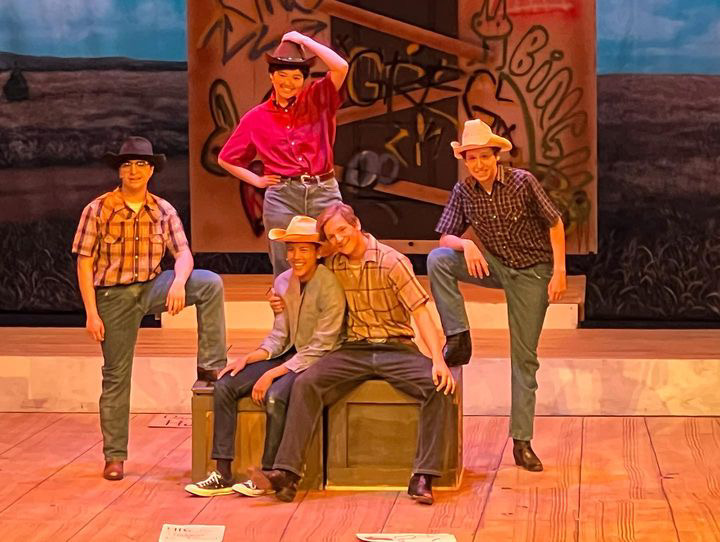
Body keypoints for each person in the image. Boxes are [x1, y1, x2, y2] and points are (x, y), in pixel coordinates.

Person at [252, 203, 456, 506]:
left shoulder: (391, 261)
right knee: (306, 383)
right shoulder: (333, 262)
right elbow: (300, 265)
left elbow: (421, 311)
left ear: (357, 224)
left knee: (438, 386)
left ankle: (424, 476)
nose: (338, 239)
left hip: (395, 346)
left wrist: (438, 360)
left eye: (342, 231)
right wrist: (277, 297)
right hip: (353, 349)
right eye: (332, 236)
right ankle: (288, 473)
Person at [72, 136, 227, 481]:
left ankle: (211, 364)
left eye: (141, 164)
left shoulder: (162, 209)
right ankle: (114, 456)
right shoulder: (98, 209)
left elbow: (183, 253)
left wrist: (178, 282)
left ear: (151, 170)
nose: (134, 171)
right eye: (127, 165)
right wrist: (91, 313)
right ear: (119, 171)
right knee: (116, 376)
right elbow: (84, 262)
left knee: (209, 283)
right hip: (113, 296)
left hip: (152, 286)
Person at [427, 119, 567, 472]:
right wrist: (467, 244)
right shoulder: (464, 190)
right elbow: (445, 237)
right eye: (472, 158)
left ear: (496, 156)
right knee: (439, 259)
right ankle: (458, 336)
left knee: (524, 358)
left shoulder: (522, 182)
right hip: (495, 265)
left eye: (484, 157)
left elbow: (555, 223)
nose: (478, 164)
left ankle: (521, 442)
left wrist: (560, 271)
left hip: (533, 273)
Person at [184, 215, 346, 497]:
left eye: (304, 249)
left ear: (318, 252)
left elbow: (321, 346)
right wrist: (249, 358)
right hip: (288, 353)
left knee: (275, 396)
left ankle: (268, 473)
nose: (296, 256)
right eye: (291, 249)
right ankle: (222, 472)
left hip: (316, 360)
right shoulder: (283, 281)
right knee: (225, 384)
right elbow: (280, 335)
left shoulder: (330, 286)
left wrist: (272, 373)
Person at [218, 30, 348, 275]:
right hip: (283, 196)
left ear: (304, 80)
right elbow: (226, 159)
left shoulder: (318, 98)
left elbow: (341, 67)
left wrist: (305, 41)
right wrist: (257, 180)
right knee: (286, 265)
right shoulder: (256, 118)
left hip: (323, 191)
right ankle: (287, 302)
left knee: (336, 259)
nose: (288, 82)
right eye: (282, 75)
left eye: (296, 77)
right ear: (271, 76)